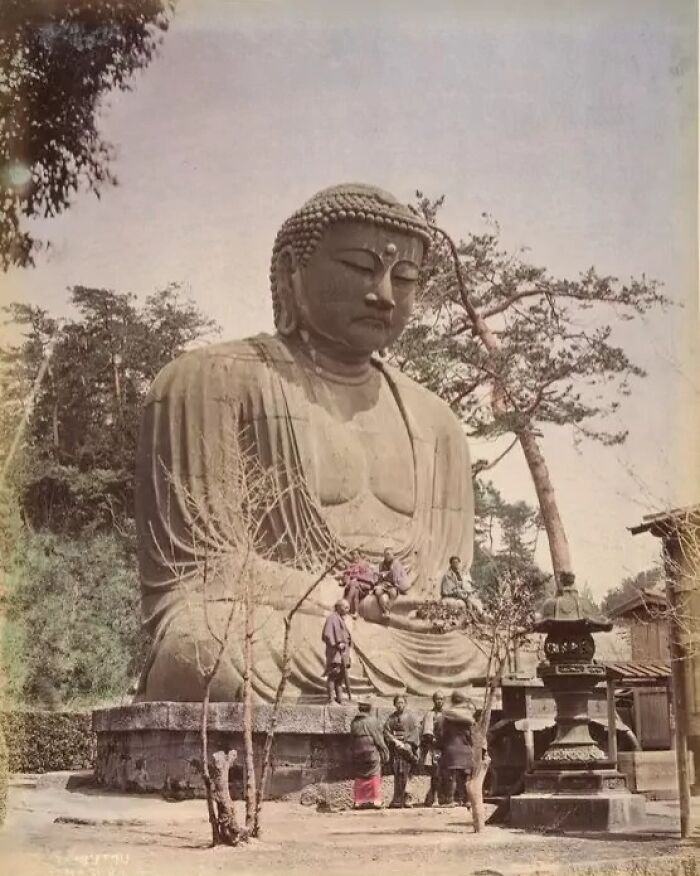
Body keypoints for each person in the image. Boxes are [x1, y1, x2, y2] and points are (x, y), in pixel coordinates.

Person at [135, 183, 477, 703]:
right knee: (203, 647)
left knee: (497, 652)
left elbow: (445, 584)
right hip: (281, 627)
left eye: (403, 278)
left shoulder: (438, 423)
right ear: (292, 269)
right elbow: (199, 573)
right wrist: (346, 601)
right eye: (361, 268)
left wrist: (423, 612)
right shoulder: (206, 381)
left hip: (413, 644)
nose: (383, 294)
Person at [437, 691, 476, 806]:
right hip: (465, 749)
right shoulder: (468, 717)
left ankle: (450, 799)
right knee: (466, 777)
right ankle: (467, 800)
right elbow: (472, 735)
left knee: (451, 777)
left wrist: (439, 745)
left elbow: (441, 733)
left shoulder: (446, 716)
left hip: (451, 748)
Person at [350, 699, 390, 809]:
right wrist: (385, 751)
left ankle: (359, 801)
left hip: (357, 752)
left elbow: (352, 738)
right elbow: (378, 739)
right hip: (371, 751)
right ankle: (376, 800)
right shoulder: (373, 721)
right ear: (370, 708)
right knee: (375, 773)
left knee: (359, 775)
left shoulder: (354, 722)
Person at [383, 694, 419, 808]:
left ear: (405, 704)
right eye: (398, 703)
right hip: (396, 750)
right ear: (394, 704)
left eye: (402, 702)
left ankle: (408, 798)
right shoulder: (391, 718)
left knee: (407, 774)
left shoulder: (411, 717)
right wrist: (393, 741)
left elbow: (415, 732)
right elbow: (386, 732)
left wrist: (408, 744)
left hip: (407, 750)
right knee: (398, 774)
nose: (400, 705)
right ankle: (397, 799)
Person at [321, 599, 352, 704]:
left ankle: (340, 698)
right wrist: (337, 643)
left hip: (343, 653)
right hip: (335, 653)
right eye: (345, 607)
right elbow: (327, 634)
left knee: (340, 678)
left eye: (348, 607)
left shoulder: (340, 619)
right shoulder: (332, 618)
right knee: (333, 675)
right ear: (338, 607)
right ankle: (331, 699)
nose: (347, 609)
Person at [420, 690, 445, 807]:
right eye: (437, 699)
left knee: (445, 775)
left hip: (446, 747)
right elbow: (427, 733)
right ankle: (434, 798)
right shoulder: (430, 714)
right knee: (435, 774)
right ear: (434, 700)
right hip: (434, 747)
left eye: (441, 699)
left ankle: (443, 797)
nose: (439, 701)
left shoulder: (447, 714)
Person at [339, 550, 377, 618]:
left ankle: (344, 607)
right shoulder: (353, 566)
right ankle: (356, 612)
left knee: (354, 585)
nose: (354, 556)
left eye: (356, 555)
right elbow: (347, 575)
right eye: (353, 555)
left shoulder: (369, 570)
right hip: (356, 587)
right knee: (355, 590)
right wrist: (346, 580)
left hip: (364, 589)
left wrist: (357, 578)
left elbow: (371, 582)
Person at [374, 548, 410, 617]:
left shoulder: (396, 564)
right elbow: (376, 574)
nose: (388, 556)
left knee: (393, 594)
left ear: (392, 555)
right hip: (383, 584)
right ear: (384, 555)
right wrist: (380, 576)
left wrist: (394, 578)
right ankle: (384, 610)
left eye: (390, 554)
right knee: (378, 592)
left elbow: (401, 576)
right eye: (386, 554)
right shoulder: (381, 564)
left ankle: (387, 609)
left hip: (393, 585)